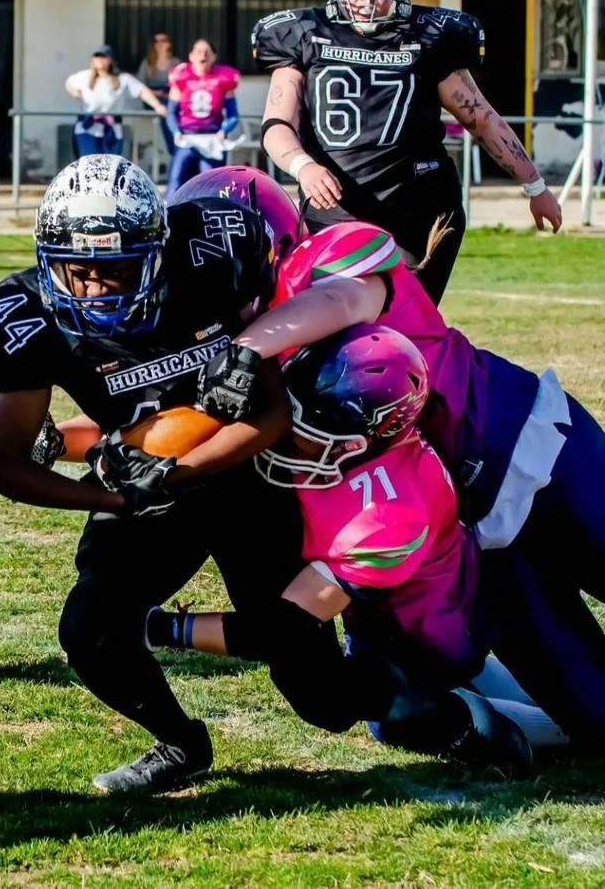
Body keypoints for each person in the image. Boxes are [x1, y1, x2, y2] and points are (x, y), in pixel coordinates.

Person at [0, 154, 308, 795]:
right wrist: (114, 497)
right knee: (90, 631)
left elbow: (269, 413)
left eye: (115, 269)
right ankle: (180, 744)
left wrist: (170, 476)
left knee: (319, 690)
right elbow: (7, 462)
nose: (94, 286)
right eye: (79, 269)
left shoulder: (209, 262)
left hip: (246, 474)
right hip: (146, 493)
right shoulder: (27, 317)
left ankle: (439, 694)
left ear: (155, 251)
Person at [196, 217, 605, 743]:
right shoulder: (247, 344)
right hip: (471, 527)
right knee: (594, 718)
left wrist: (247, 348)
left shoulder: (317, 268)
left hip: (528, 448)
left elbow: (343, 303)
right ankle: (501, 716)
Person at [152, 325, 557, 767]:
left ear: (358, 440)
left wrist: (165, 629)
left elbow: (282, 628)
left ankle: (514, 725)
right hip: (434, 609)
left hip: (428, 644)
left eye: (309, 430)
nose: (288, 437)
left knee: (365, 713)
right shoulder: (376, 446)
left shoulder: (384, 517)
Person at [253, 0, 562, 305]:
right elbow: (275, 125)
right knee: (333, 326)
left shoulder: (427, 38)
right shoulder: (304, 36)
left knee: (408, 325)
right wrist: (303, 166)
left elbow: (479, 117)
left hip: (420, 213)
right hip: (335, 211)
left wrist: (535, 186)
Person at [165, 39, 240, 197]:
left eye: (207, 51)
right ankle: (169, 217)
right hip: (188, 138)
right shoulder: (181, 77)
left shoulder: (223, 79)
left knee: (211, 183)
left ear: (214, 56)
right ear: (191, 56)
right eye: (198, 51)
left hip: (211, 138)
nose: (202, 55)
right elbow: (171, 112)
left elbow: (233, 114)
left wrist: (223, 131)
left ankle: (209, 218)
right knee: (176, 180)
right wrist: (175, 131)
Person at [65, 46, 166, 158]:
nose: (99, 59)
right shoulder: (85, 76)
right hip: (88, 127)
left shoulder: (122, 78)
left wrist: (157, 106)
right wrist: (77, 95)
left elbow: (142, 91)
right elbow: (69, 83)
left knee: (110, 165)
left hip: (111, 128)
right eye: (97, 56)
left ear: (110, 59)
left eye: (103, 56)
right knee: (89, 162)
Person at [136, 30, 181, 154]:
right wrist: (158, 94)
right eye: (156, 41)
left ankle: (177, 145)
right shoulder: (147, 63)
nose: (160, 43)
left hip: (170, 98)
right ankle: (173, 146)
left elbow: (181, 84)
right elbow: (140, 86)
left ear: (169, 44)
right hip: (153, 101)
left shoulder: (175, 62)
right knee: (166, 107)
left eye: (163, 40)